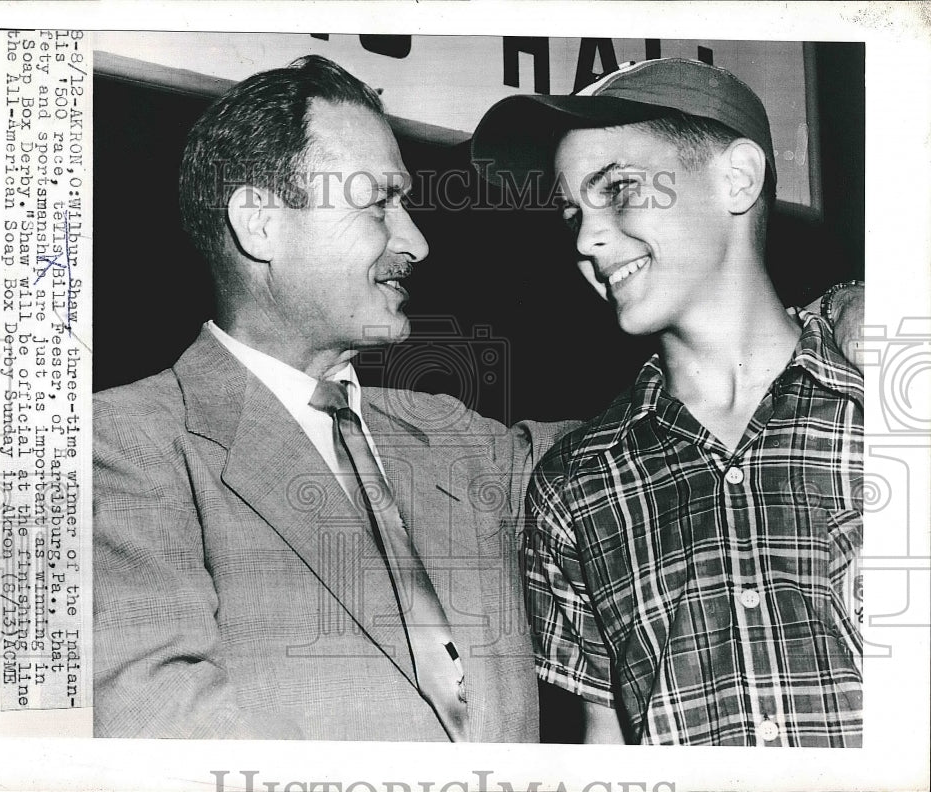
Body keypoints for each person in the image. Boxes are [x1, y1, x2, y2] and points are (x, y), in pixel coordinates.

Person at [95, 54, 862, 742]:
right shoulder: (116, 451)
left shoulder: (459, 444)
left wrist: (848, 319)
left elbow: (677, 433)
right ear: (261, 225)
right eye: (380, 203)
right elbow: (160, 732)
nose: (418, 242)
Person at [472, 58, 864, 746]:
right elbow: (608, 747)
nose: (587, 240)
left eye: (618, 188)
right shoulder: (576, 488)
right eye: (573, 213)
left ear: (736, 178)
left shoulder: (890, 397)